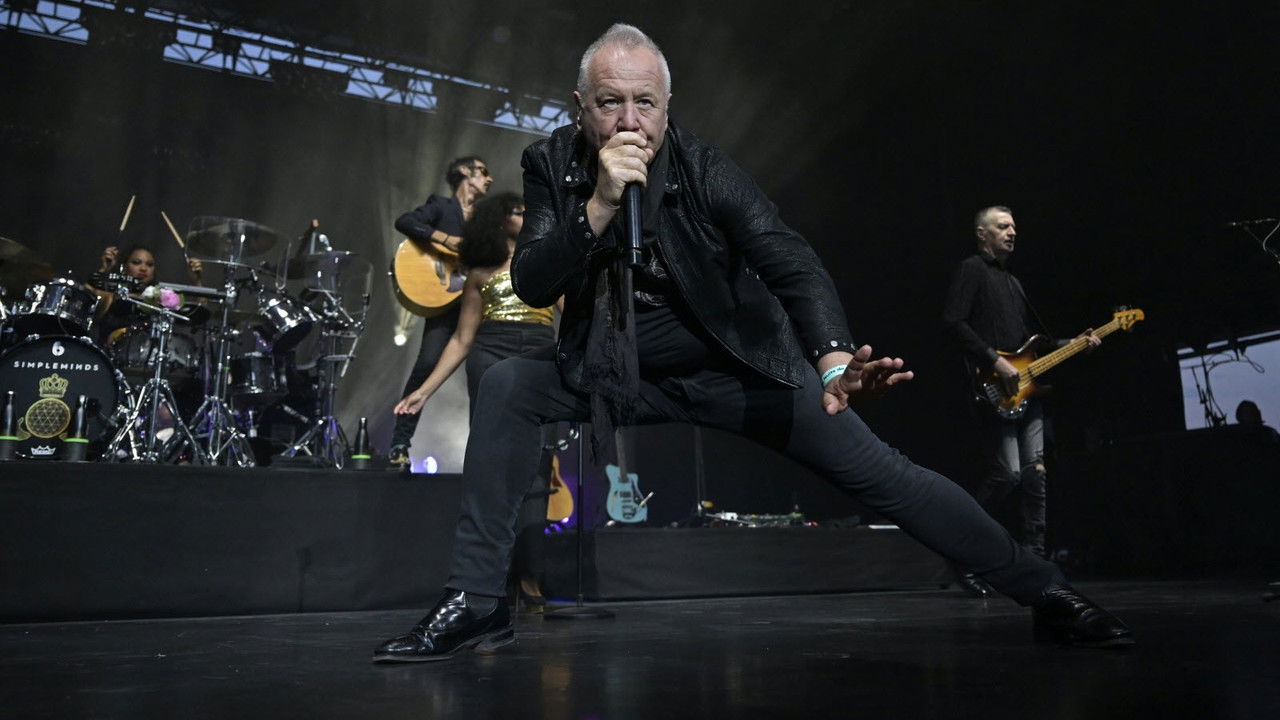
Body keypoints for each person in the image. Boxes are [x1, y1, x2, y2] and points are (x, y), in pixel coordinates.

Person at [374, 24, 1132, 663]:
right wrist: (600, 207)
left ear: (669, 111)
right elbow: (537, 282)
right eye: (610, 104)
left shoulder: (707, 171)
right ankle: (477, 603)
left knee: (890, 478)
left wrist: (833, 359)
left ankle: (1044, 589)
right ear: (581, 109)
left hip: (741, 368)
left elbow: (789, 259)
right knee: (509, 386)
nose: (628, 122)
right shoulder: (552, 165)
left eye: (645, 103)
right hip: (621, 370)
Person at [394, 191, 561, 611]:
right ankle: (488, 578)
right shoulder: (480, 273)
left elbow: (573, 316)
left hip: (539, 351)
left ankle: (530, 575)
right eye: (518, 211)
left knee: (538, 469)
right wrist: (423, 391)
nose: (526, 215)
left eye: (528, 210)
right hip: (490, 351)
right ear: (498, 219)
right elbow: (462, 339)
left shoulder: (543, 265)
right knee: (489, 462)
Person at [942, 206, 1100, 596]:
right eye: (1003, 226)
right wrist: (995, 361)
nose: (1012, 232)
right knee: (1008, 475)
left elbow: (1035, 344)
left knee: (1037, 475)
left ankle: (1036, 561)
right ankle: (962, 555)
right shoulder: (972, 269)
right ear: (982, 234)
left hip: (1028, 390)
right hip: (995, 386)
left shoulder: (1014, 282)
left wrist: (1076, 344)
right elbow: (953, 321)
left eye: (1014, 226)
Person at [388, 156, 494, 470]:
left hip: (477, 305)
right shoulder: (441, 206)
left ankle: (484, 454)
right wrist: (446, 239)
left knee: (485, 373)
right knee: (425, 365)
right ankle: (399, 443)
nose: (489, 179)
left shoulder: (486, 218)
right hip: (444, 304)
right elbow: (405, 222)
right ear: (464, 172)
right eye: (483, 172)